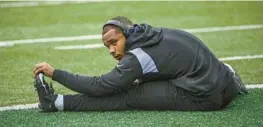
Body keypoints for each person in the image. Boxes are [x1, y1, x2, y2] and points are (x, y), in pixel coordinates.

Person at [33, 16, 247, 112]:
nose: (111, 50)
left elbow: (100, 86)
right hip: (222, 81)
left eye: (114, 43)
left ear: (127, 34)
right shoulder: (150, 33)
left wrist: (56, 73)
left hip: (205, 97)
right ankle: (229, 72)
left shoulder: (138, 57)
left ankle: (57, 103)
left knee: (128, 95)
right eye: (107, 46)